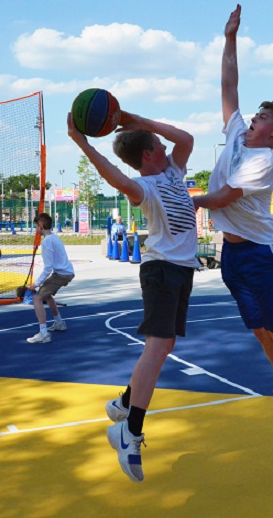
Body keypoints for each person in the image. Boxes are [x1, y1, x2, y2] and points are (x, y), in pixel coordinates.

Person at [192, 4, 273, 442]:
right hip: (233, 253)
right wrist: (229, 37)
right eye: (257, 114)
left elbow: (224, 197)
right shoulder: (235, 133)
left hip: (263, 253)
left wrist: (191, 200)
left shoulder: (264, 161)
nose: (255, 118)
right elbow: (229, 83)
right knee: (260, 330)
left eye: (263, 118)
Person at [69, 108, 196, 483]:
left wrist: (134, 118)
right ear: (148, 154)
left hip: (181, 269)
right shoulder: (147, 188)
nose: (163, 142)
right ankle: (130, 430)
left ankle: (124, 402)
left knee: (166, 343)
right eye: (158, 142)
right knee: (157, 347)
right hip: (161, 271)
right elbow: (116, 177)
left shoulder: (173, 171)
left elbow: (186, 138)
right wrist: (82, 142)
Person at [25, 212, 75, 344]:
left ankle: (43, 333)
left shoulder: (46, 242)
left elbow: (48, 267)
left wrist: (35, 284)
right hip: (65, 272)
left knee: (37, 298)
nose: (36, 229)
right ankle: (59, 323)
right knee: (47, 295)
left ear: (41, 226)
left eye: (36, 226)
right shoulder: (54, 238)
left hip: (61, 274)